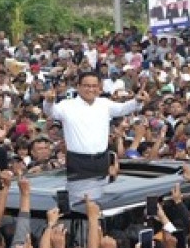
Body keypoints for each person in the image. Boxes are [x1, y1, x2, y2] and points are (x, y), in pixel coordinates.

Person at [42, 71, 145, 203]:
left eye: (94, 86)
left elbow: (123, 108)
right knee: (78, 200)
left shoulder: (104, 104)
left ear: (99, 87)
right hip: (78, 161)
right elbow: (50, 111)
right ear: (78, 86)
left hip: (102, 159)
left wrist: (137, 100)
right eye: (86, 85)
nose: (90, 89)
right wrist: (49, 101)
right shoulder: (67, 106)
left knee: (100, 199)